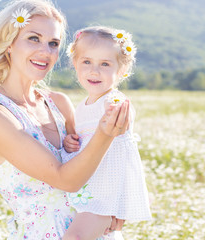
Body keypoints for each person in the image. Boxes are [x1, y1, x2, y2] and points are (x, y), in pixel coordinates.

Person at [0, 0, 131, 239]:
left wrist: (114, 203)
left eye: (53, 43)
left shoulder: (59, 103)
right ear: (9, 44)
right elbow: (65, 180)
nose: (45, 52)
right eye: (33, 38)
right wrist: (105, 134)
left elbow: (95, 164)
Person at [61, 27, 152, 240]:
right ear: (75, 64)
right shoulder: (82, 106)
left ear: (121, 70)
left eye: (105, 64)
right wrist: (71, 142)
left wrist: (116, 114)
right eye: (86, 62)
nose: (94, 71)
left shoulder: (115, 101)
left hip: (104, 195)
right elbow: (88, 143)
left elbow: (116, 132)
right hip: (87, 191)